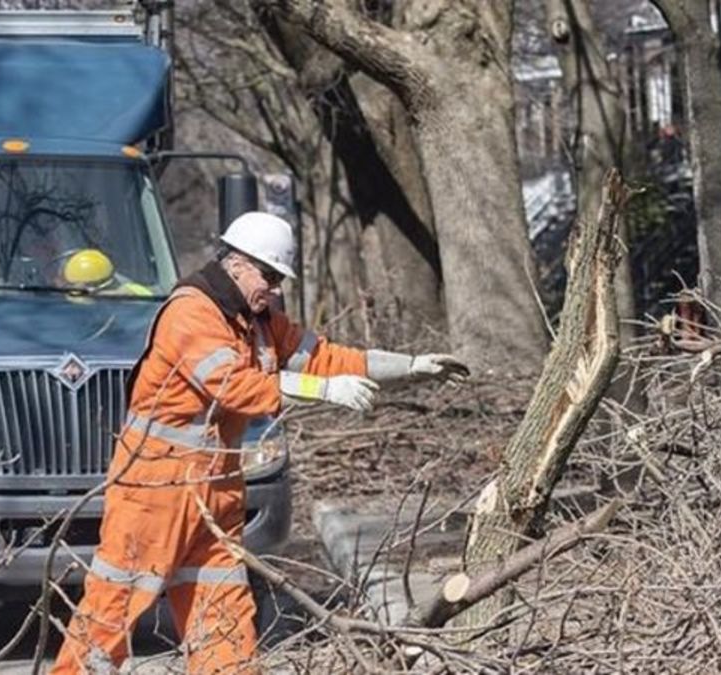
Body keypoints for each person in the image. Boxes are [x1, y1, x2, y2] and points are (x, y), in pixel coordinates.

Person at [51, 212, 468, 674]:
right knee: (113, 611)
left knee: (224, 619)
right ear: (237, 264)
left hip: (216, 491)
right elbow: (234, 385)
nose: (274, 289)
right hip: (155, 490)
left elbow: (325, 356)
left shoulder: (258, 320)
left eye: (278, 279)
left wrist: (409, 366)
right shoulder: (191, 313)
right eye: (268, 276)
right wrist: (325, 391)